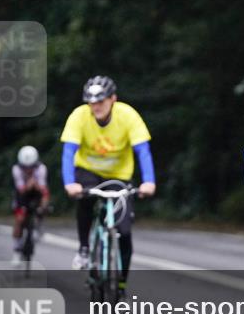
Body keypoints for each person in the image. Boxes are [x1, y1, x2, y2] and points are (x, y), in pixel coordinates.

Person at [61, 76, 156, 297]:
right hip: (88, 172)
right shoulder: (79, 116)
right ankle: (85, 249)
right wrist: (69, 183)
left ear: (113, 99)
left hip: (118, 177)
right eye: (91, 102)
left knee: (124, 231)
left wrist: (149, 181)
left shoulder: (128, 116)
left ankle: (121, 283)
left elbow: (143, 151)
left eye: (101, 101)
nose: (96, 107)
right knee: (84, 201)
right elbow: (68, 152)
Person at [10, 145, 51, 266]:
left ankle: (39, 224)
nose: (28, 170)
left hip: (36, 192)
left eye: (31, 167)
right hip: (22, 195)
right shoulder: (16, 169)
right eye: (25, 167)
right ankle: (16, 250)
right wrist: (30, 184)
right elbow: (21, 189)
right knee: (19, 219)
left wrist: (35, 185)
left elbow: (43, 188)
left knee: (45, 199)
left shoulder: (41, 169)